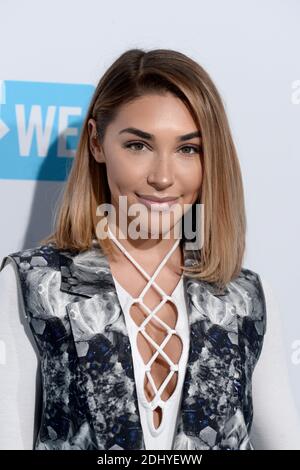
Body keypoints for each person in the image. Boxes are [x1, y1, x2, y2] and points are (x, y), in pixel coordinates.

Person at [1, 48, 300, 450]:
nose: (162, 176)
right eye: (139, 146)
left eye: (187, 149)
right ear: (96, 143)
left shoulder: (243, 296)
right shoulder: (35, 283)